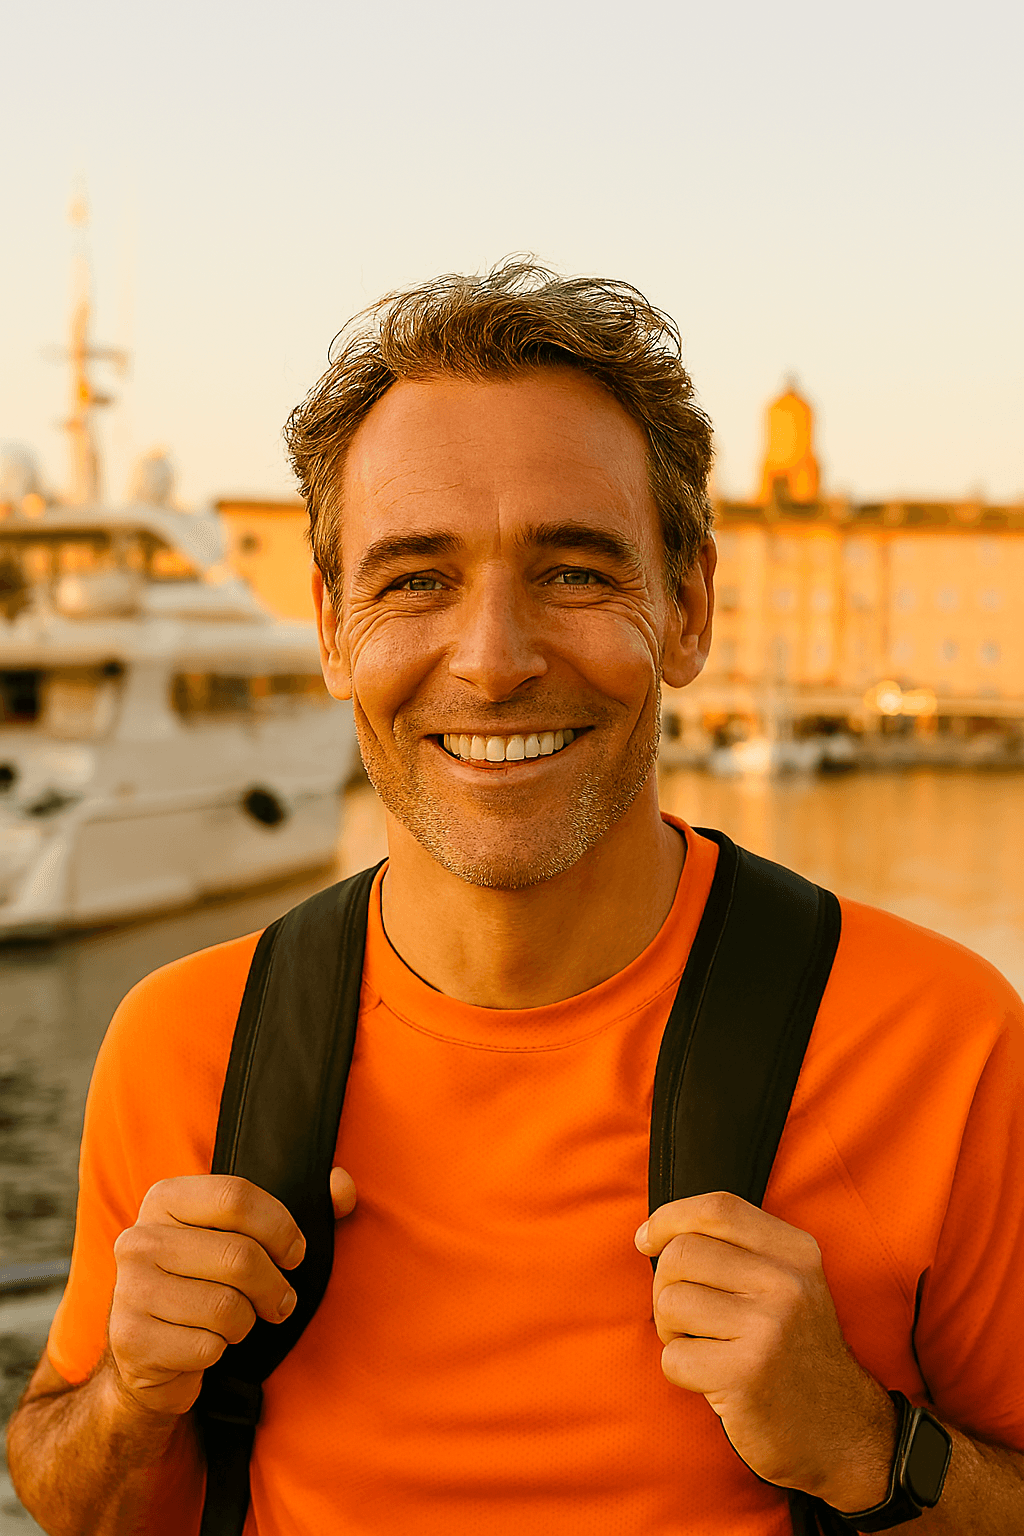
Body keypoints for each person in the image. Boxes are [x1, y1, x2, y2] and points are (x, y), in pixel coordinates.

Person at [8, 260, 1024, 1536]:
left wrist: (865, 1446)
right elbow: (74, 1494)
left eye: (575, 572)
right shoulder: (185, 1045)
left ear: (688, 609)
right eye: (415, 579)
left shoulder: (940, 1040)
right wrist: (130, 1396)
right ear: (330, 628)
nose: (492, 662)